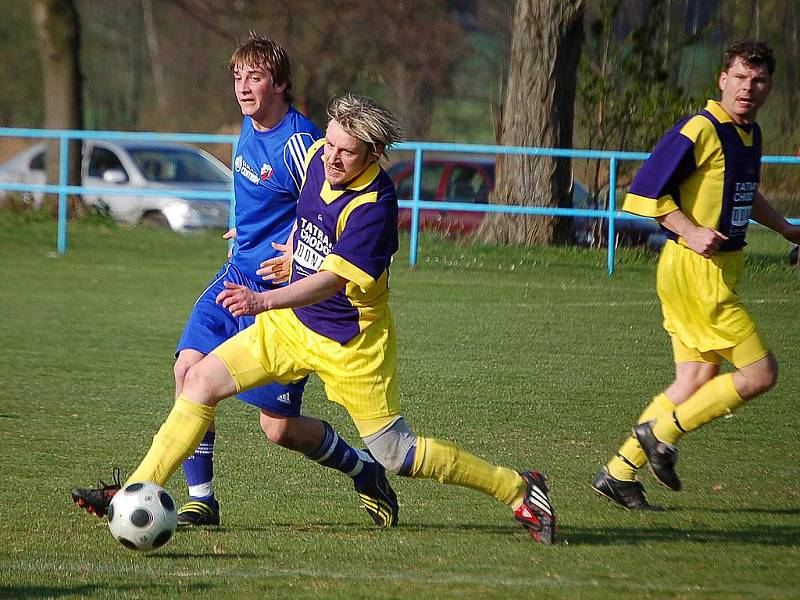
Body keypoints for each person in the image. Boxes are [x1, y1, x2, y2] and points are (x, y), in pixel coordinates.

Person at [71, 93, 557, 544]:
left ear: (373, 153)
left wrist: (264, 301)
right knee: (198, 380)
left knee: (396, 453)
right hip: (293, 325)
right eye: (330, 144)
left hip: (352, 342)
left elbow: (332, 281)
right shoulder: (318, 158)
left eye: (347, 151)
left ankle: (517, 488)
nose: (332, 157)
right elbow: (297, 216)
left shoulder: (374, 206)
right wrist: (286, 251)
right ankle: (138, 488)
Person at [72, 35, 399, 529]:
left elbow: (318, 209)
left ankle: (364, 469)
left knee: (279, 428)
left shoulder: (301, 143)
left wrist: (290, 249)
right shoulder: (246, 128)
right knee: (188, 370)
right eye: (237, 77)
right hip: (235, 276)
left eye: (255, 78)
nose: (243, 88)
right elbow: (256, 193)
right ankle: (200, 499)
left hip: (279, 297)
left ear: (281, 84)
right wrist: (241, 226)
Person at [592, 40, 800, 510]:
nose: (749, 88)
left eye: (759, 80)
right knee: (761, 372)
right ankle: (660, 435)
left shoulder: (749, 133)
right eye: (740, 78)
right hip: (695, 272)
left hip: (716, 271)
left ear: (768, 86)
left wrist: (786, 227)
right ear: (722, 79)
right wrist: (688, 230)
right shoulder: (700, 128)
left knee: (694, 380)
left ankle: (618, 473)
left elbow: (745, 193)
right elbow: (642, 193)